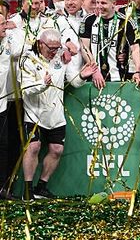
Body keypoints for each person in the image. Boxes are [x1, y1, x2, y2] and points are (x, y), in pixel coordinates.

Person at [20, 29, 96, 199]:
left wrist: (83, 76)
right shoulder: (27, 60)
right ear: (41, 44)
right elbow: (25, 90)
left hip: (56, 113)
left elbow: (73, 81)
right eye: (51, 48)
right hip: (34, 113)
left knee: (57, 150)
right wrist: (42, 84)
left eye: (57, 47)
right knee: (33, 147)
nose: (55, 51)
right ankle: (27, 190)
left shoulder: (61, 57)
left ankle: (41, 187)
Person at [79, 0, 140, 88]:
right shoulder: (89, 20)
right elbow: (84, 47)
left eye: (103, 3)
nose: (99, 6)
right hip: (94, 79)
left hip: (119, 78)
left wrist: (138, 71)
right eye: (97, 2)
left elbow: (135, 48)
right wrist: (95, 70)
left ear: (113, 3)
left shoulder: (126, 22)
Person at [0, 12, 25, 199]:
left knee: (4, 147)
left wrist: (16, 28)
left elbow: (22, 47)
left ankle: (2, 188)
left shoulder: (7, 43)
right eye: (2, 24)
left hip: (1, 104)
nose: (5, 26)